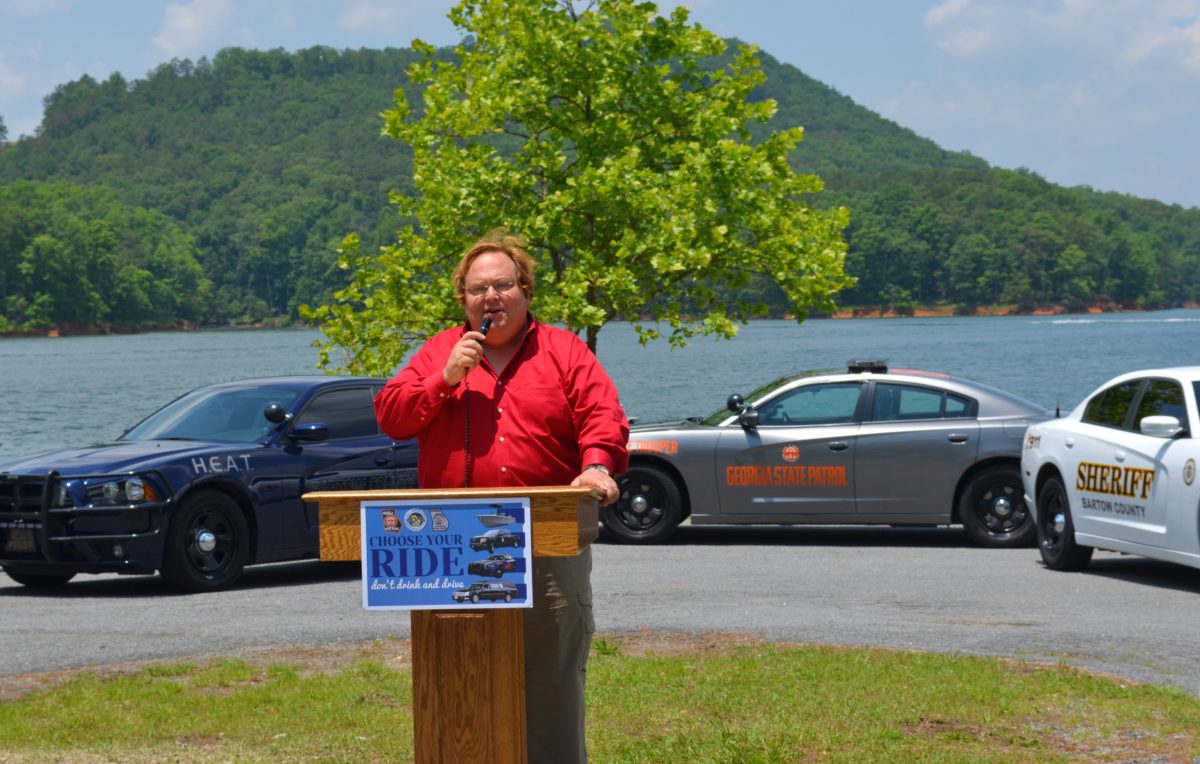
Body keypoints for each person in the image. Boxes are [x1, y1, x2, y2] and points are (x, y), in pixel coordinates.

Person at [374, 231, 629, 763]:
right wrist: (443, 381)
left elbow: (602, 415)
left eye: (502, 285)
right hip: (458, 545)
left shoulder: (564, 350)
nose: (490, 297)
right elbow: (391, 415)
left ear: (526, 291)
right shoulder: (440, 352)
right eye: (477, 289)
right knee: (458, 671)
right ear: (462, 300)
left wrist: (597, 466)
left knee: (550, 676)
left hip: (548, 537)